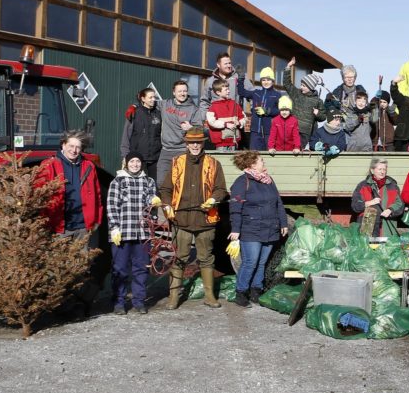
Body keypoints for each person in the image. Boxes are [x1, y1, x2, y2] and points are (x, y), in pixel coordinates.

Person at [158, 126, 227, 310]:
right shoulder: (176, 162)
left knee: (206, 258)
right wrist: (167, 206)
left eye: (198, 142)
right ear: (186, 144)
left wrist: (214, 199)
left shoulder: (214, 163)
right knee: (179, 258)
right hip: (182, 220)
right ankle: (173, 296)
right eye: (191, 142)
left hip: (205, 221)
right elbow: (165, 189)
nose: (195, 145)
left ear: (203, 143)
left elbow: (221, 189)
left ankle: (209, 295)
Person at [36, 130, 103, 318]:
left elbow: (97, 195)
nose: (74, 150)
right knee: (59, 268)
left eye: (78, 147)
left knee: (82, 268)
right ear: (63, 145)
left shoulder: (88, 166)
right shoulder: (49, 165)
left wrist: (97, 219)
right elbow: (39, 194)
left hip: (83, 226)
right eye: (71, 146)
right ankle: (60, 306)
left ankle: (79, 306)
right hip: (60, 227)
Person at [228, 151, 289, 308]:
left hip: (270, 228)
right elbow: (236, 206)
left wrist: (283, 223)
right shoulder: (242, 182)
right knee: (250, 262)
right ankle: (241, 292)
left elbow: (278, 203)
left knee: (262, 262)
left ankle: (256, 291)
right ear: (252, 164)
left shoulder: (269, 181)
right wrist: (235, 229)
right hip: (251, 229)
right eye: (262, 161)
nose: (264, 163)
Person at [106, 151, 160, 315]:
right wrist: (114, 227)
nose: (135, 164)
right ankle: (119, 302)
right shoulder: (118, 181)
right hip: (122, 233)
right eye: (132, 162)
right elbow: (111, 205)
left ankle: (139, 301)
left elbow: (150, 201)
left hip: (142, 234)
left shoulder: (148, 181)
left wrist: (154, 201)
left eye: (138, 161)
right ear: (126, 163)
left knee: (141, 268)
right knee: (120, 269)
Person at [157, 80, 202, 185]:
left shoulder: (193, 109)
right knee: (161, 183)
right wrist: (135, 106)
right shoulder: (165, 104)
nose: (182, 94)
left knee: (181, 183)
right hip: (166, 151)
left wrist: (190, 128)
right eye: (180, 91)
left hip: (183, 150)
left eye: (185, 91)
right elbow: (149, 103)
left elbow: (200, 130)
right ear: (174, 92)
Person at [352, 157, 405, 236]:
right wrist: (369, 203)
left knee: (386, 247)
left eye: (384, 169)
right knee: (368, 246)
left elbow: (400, 204)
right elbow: (355, 205)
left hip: (386, 226)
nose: (382, 172)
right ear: (372, 170)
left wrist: (390, 210)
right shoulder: (363, 185)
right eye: (380, 169)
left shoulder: (392, 186)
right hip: (367, 225)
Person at [119, 87, 162, 180]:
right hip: (137, 158)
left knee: (154, 186)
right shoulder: (134, 113)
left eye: (154, 97)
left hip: (155, 157)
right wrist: (125, 155)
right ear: (143, 99)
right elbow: (126, 135)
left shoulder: (158, 113)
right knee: (137, 184)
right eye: (150, 97)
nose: (153, 99)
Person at [237, 67, 282, 150]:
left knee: (269, 156)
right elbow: (241, 92)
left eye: (268, 80)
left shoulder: (277, 95)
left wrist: (267, 111)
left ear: (272, 81)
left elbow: (281, 111)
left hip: (269, 131)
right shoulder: (256, 93)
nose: (266, 82)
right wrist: (241, 79)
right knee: (254, 156)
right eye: (263, 80)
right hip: (255, 131)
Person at [284, 57, 325, 148]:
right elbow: (287, 84)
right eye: (301, 84)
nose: (301, 87)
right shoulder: (297, 94)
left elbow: (323, 117)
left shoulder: (318, 101)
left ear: (310, 87)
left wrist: (318, 113)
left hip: (305, 132)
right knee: (288, 149)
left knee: (298, 150)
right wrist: (288, 67)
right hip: (292, 128)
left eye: (304, 85)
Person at [206, 79, 245, 151]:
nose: (229, 91)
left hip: (234, 141)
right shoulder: (213, 107)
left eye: (228, 89)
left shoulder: (234, 104)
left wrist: (239, 123)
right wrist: (226, 125)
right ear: (218, 92)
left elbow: (243, 117)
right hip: (221, 142)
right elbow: (212, 122)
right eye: (226, 90)